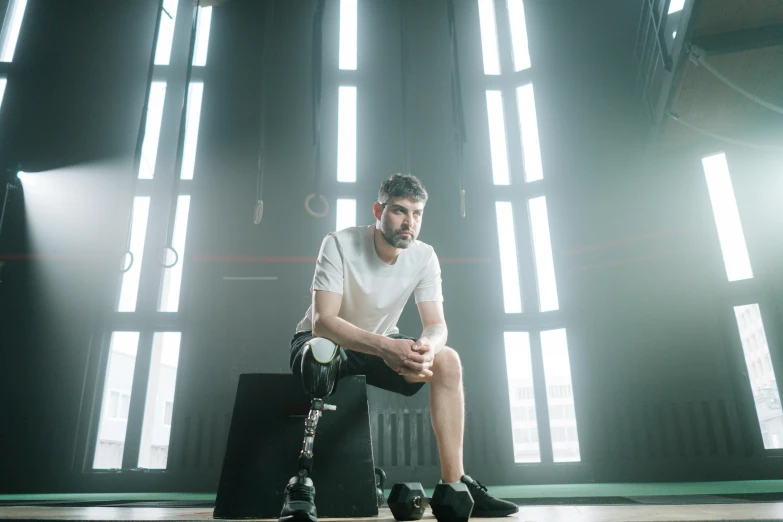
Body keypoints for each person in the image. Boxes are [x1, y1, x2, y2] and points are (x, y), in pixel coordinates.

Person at [281, 173, 519, 522]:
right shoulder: (338, 243)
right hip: (322, 343)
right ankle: (301, 484)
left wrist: (426, 346)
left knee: (448, 360)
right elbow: (324, 321)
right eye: (399, 211)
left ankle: (455, 485)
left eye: (417, 213)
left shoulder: (424, 257)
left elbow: (437, 325)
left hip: (379, 342)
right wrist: (386, 348)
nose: (409, 222)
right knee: (322, 354)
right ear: (378, 210)